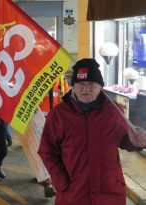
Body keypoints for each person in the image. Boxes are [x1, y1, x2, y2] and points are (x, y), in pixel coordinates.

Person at [38, 58, 146, 205]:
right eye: (80, 84)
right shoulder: (59, 115)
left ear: (100, 86)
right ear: (73, 87)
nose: (86, 88)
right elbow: (46, 151)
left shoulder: (113, 110)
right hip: (73, 195)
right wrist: (61, 182)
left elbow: (123, 140)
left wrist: (135, 143)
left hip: (109, 194)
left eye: (91, 84)